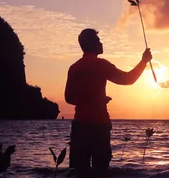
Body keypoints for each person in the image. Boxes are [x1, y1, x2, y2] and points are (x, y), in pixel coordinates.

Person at [65, 28, 152, 170]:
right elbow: (127, 79)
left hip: (79, 127)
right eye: (98, 40)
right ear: (92, 44)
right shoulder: (101, 65)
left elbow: (68, 98)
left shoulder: (74, 68)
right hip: (99, 126)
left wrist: (94, 99)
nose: (101, 43)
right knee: (101, 173)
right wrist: (143, 62)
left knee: (78, 175)